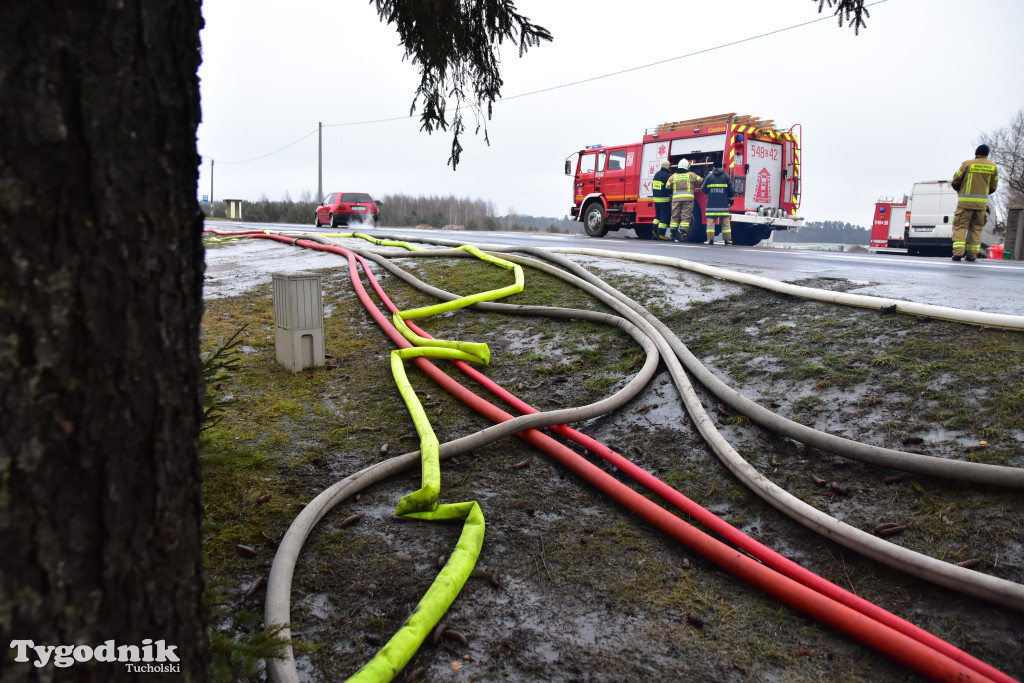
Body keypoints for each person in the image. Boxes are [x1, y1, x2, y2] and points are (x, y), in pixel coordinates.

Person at [950, 144, 999, 262]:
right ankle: (972, 255)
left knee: (960, 227)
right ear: (987, 154)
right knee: (976, 229)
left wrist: (960, 190)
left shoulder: (967, 164)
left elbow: (956, 180)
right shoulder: (993, 167)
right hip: (981, 205)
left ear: (976, 152)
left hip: (965, 204)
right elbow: (993, 187)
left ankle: (958, 253)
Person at [667, 159, 702, 242]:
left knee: (675, 216)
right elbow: (701, 180)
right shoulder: (691, 175)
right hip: (687, 200)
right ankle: (684, 234)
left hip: (676, 200)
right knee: (685, 216)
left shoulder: (673, 176)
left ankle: (672, 234)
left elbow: (667, 186)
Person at [701, 160, 735, 244]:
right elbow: (731, 190)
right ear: (721, 166)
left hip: (711, 204)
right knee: (725, 222)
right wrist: (731, 201)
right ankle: (727, 240)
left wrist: (710, 193)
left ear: (713, 167)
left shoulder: (709, 176)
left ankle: (710, 239)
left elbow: (703, 188)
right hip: (723, 204)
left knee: (711, 222)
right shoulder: (726, 177)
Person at [651, 160, 672, 240]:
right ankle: (661, 234)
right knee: (664, 217)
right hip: (664, 199)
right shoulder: (667, 176)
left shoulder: (656, 174)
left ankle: (654, 231)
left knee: (657, 216)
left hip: (656, 199)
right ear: (667, 166)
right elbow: (668, 188)